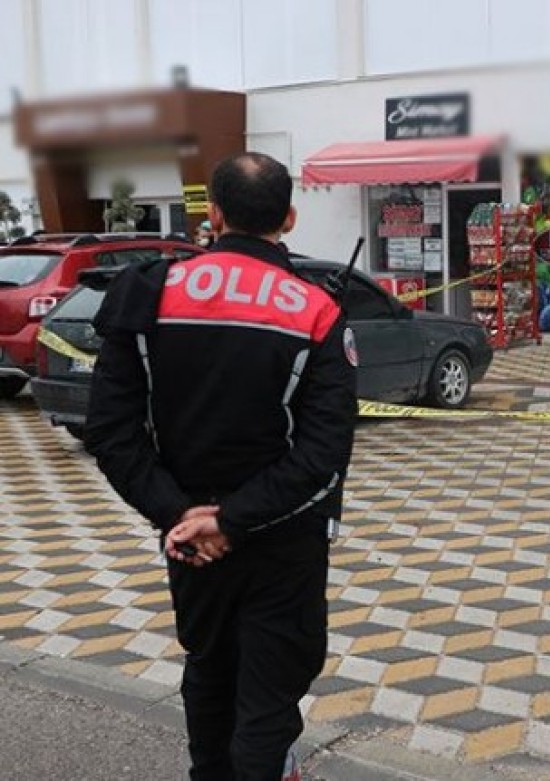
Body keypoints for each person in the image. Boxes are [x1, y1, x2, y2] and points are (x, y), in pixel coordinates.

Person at [84, 152, 357, 781]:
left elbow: (110, 429)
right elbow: (324, 454)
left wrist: (180, 516)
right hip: (281, 541)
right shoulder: (315, 310)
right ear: (287, 217)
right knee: (266, 706)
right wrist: (231, 520)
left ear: (214, 215)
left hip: (189, 543)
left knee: (208, 674)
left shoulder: (149, 293)